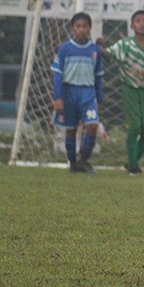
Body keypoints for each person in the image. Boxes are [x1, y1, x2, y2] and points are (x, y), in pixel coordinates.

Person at [96, 9, 144, 175]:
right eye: (138, 21)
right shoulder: (125, 44)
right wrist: (99, 47)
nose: (142, 24)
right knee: (134, 127)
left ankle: (131, 162)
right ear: (132, 25)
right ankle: (133, 167)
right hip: (131, 89)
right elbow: (108, 55)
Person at [51, 12, 104, 173]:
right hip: (69, 92)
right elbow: (58, 74)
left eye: (85, 26)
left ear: (89, 28)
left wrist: (99, 98)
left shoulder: (95, 50)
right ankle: (73, 163)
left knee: (92, 125)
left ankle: (84, 160)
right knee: (71, 129)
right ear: (72, 28)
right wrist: (58, 97)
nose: (81, 29)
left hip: (88, 93)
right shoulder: (65, 48)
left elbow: (99, 77)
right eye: (78, 26)